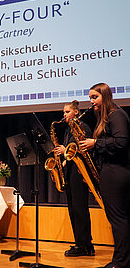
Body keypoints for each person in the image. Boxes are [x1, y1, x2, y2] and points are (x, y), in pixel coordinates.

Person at [80, 83, 130, 268]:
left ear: (105, 96)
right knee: (120, 218)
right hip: (113, 170)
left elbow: (121, 142)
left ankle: (120, 262)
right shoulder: (107, 116)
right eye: (90, 97)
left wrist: (96, 143)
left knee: (118, 218)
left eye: (95, 97)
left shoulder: (116, 114)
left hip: (116, 171)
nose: (91, 101)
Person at [54, 100, 95, 257]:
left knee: (79, 209)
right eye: (63, 112)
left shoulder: (83, 127)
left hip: (79, 172)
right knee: (74, 209)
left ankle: (85, 245)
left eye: (67, 112)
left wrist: (65, 151)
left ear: (76, 112)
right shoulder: (68, 131)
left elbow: (82, 150)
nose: (64, 115)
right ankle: (81, 243)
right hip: (71, 171)